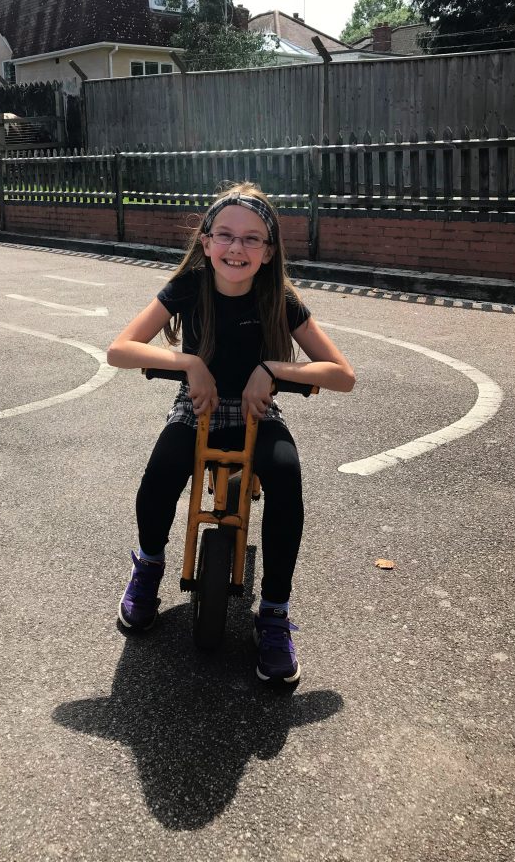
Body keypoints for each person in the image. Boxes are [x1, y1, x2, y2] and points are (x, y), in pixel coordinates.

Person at [106, 182, 355, 683]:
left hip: (257, 415)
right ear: (205, 241)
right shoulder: (188, 286)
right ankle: (149, 566)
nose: (236, 248)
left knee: (286, 477)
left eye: (251, 239)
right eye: (225, 235)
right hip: (197, 408)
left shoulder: (278, 297)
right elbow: (120, 349)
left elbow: (341, 375)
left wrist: (275, 369)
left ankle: (275, 612)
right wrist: (189, 362)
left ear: (268, 252)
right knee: (161, 473)